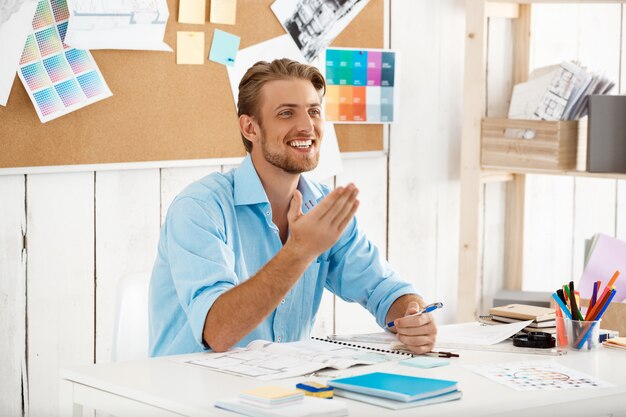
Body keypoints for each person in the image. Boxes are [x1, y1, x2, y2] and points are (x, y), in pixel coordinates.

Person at [149, 58, 436, 356]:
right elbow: (218, 333)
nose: (306, 126)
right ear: (250, 128)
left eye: (314, 112)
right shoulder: (199, 209)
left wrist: (413, 316)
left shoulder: (324, 209)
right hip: (191, 392)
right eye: (286, 113)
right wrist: (298, 251)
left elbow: (383, 289)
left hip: (280, 390)